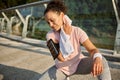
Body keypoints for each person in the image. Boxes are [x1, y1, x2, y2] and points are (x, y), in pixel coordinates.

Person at [39, 0, 111, 80]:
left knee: (101, 60)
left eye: (52, 20)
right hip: (61, 68)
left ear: (62, 15)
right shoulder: (49, 35)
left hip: (79, 63)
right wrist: (66, 36)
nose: (51, 25)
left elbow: (92, 49)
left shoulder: (77, 31)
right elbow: (61, 58)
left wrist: (97, 58)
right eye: (48, 23)